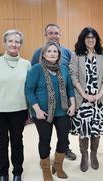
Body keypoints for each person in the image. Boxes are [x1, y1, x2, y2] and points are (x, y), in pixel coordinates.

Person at [0, 30, 31, 181]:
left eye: (17, 42)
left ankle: (17, 173)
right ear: (4, 43)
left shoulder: (26, 64)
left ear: (20, 45)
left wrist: (28, 112)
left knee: (17, 143)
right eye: (10, 41)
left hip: (19, 111)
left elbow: (28, 90)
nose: (13, 44)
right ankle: (3, 173)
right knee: (1, 145)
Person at [25, 42, 75, 180]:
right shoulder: (36, 69)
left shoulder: (63, 69)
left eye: (55, 51)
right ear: (43, 54)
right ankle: (46, 169)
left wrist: (73, 105)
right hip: (42, 113)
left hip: (62, 111)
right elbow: (29, 91)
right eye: (49, 51)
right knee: (45, 140)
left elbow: (70, 88)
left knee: (64, 140)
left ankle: (58, 165)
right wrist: (37, 110)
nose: (53, 53)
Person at [30, 24, 76, 161]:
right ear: (46, 35)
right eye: (50, 33)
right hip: (44, 104)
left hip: (63, 103)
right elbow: (33, 77)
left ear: (60, 34)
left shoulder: (67, 52)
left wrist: (72, 102)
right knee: (45, 136)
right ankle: (45, 158)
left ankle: (65, 150)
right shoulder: (37, 53)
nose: (53, 36)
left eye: (56, 33)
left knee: (63, 134)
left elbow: (70, 76)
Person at [69, 27, 103, 172]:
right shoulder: (76, 55)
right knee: (83, 130)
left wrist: (101, 93)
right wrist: (85, 95)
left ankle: (94, 155)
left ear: (97, 39)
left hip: (99, 99)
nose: (90, 39)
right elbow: (73, 76)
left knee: (96, 129)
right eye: (87, 37)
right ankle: (84, 155)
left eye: (93, 37)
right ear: (83, 39)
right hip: (83, 99)